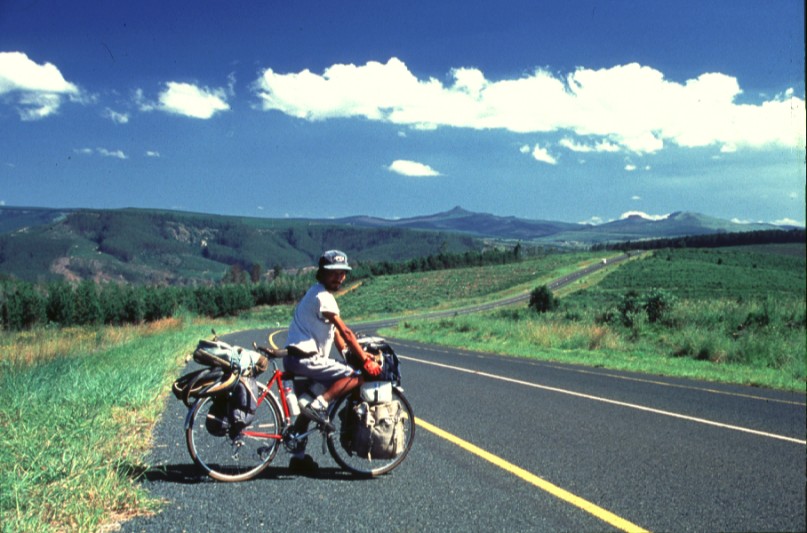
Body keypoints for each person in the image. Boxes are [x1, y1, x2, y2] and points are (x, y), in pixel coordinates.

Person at [283, 249, 382, 473]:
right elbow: (345, 331)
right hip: (307, 360)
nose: (339, 277)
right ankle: (320, 405)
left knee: (307, 406)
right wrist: (365, 360)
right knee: (356, 376)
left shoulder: (315, 293)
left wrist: (349, 354)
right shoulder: (323, 297)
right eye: (334, 273)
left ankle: (298, 458)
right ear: (322, 273)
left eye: (343, 273)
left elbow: (337, 336)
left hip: (297, 359)